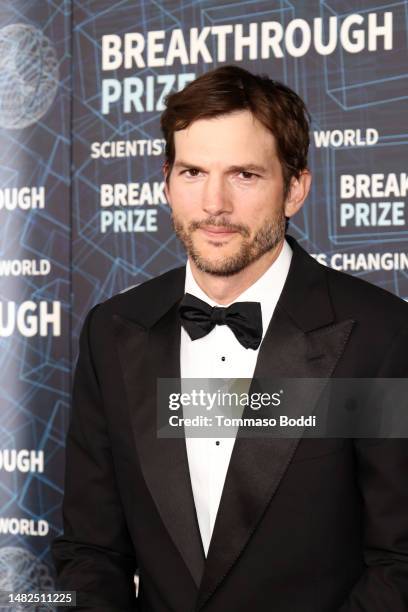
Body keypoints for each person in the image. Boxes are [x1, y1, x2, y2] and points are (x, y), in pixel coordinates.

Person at [52, 65, 408, 611]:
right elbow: (91, 551)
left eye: (244, 174)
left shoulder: (379, 336)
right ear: (166, 184)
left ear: (295, 189)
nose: (214, 203)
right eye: (193, 172)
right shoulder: (113, 330)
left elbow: (397, 565)